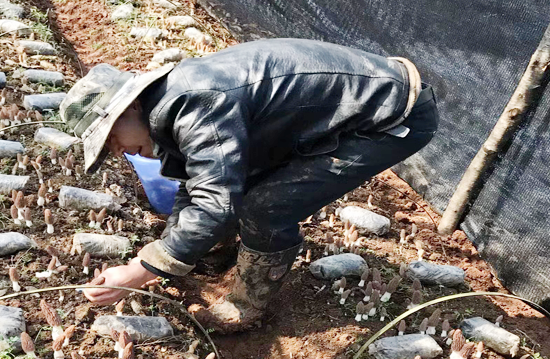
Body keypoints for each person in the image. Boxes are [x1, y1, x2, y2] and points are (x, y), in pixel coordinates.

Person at [59, 38, 438, 332]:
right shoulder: (170, 106)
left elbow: (214, 202)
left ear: (130, 107)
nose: (120, 150)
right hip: (343, 105)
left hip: (388, 116)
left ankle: (247, 305)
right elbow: (199, 181)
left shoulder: (195, 105)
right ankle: (213, 250)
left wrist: (143, 269)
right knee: (235, 181)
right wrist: (161, 255)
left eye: (112, 139)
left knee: (267, 206)